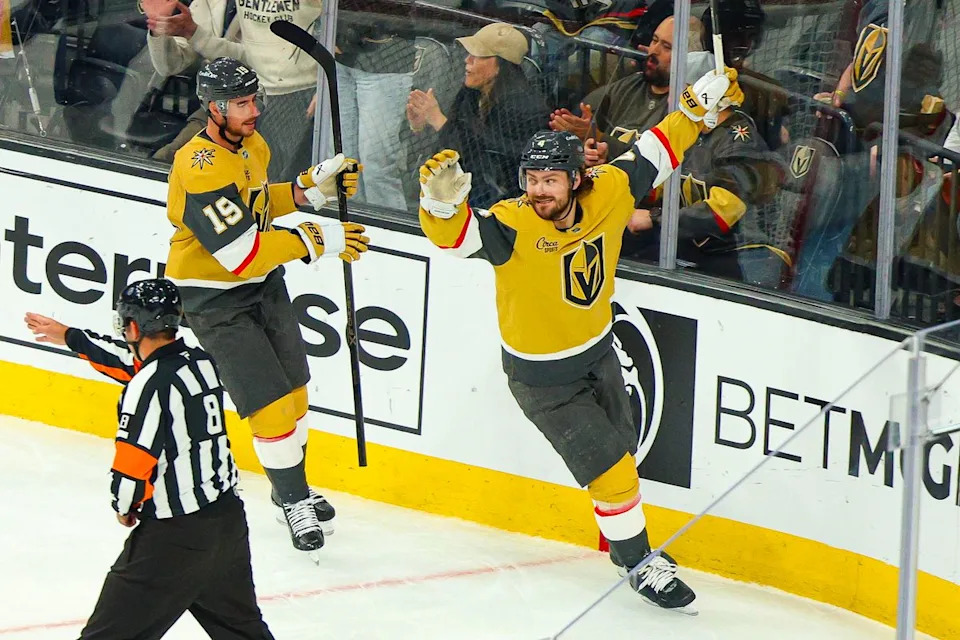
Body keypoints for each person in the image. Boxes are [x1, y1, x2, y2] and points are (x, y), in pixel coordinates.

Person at [417, 63, 744, 612]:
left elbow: (658, 149)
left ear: (577, 178)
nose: (537, 192)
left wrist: (696, 106)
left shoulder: (611, 189)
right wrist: (439, 205)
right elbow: (453, 240)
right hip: (542, 380)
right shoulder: (511, 223)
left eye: (549, 181)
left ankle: (621, 544)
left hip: (600, 354)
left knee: (622, 458)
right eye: (530, 181)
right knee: (613, 471)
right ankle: (641, 563)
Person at [164, 56, 369, 556]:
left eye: (254, 99)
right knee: (271, 407)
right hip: (213, 298)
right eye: (242, 103)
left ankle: (288, 488)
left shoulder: (252, 143)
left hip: (263, 284)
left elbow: (254, 204)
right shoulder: (198, 166)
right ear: (213, 108)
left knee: (296, 394)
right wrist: (316, 238)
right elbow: (238, 253)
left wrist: (306, 191)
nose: (254, 111)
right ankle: (295, 499)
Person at [74, 278, 274, 639]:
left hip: (174, 536)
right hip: (226, 521)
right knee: (241, 630)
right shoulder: (201, 362)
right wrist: (71, 337)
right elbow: (143, 369)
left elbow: (134, 460)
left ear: (132, 326)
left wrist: (125, 504)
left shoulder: (147, 385)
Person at [141, 0, 322, 179]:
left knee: (268, 178)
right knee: (168, 160)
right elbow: (170, 65)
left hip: (285, 98)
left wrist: (325, 87)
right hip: (223, 99)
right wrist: (161, 28)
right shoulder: (208, 3)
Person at [404, 22, 548, 208]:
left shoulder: (524, 108)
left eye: (477, 56)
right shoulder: (471, 93)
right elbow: (451, 140)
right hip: (462, 193)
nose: (467, 60)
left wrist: (438, 120)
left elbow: (480, 156)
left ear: (500, 66)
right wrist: (420, 125)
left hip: (499, 206)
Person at [548, 15, 705, 161]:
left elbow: (655, 165)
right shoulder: (628, 86)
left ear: (690, 59)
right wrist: (576, 132)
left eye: (666, 47)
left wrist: (598, 137)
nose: (654, 50)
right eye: (654, 40)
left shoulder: (688, 107)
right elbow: (585, 123)